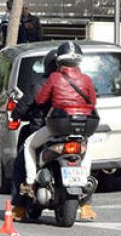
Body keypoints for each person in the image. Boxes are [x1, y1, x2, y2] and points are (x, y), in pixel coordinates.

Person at [13, 42, 98, 221]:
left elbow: (38, 100)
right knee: (87, 150)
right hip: (80, 130)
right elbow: (92, 102)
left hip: (52, 129)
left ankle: (29, 184)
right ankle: (86, 198)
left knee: (27, 146)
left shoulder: (51, 79)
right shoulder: (86, 79)